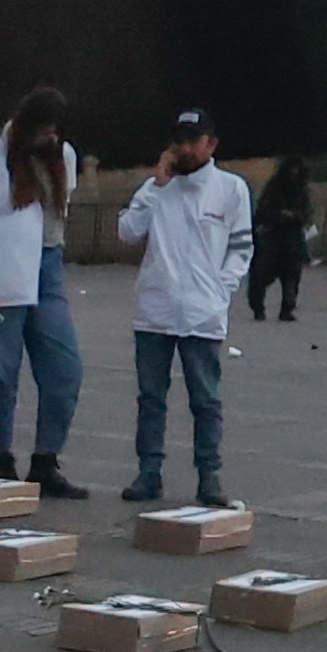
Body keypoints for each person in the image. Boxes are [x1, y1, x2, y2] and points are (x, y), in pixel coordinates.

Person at [116, 109, 256, 505]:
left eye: (193, 140)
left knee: (205, 399)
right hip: (155, 310)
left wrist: (220, 289)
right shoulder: (157, 188)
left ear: (210, 145)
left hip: (202, 312)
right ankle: (149, 472)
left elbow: (241, 248)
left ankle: (209, 476)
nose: (184, 148)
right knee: (151, 397)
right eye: (179, 139)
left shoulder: (231, 189)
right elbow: (127, 232)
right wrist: (156, 187)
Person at [0, 89, 85, 494]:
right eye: (42, 130)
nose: (48, 139)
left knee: (65, 369)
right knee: (2, 373)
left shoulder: (64, 158)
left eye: (54, 132)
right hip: (2, 278)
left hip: (47, 269)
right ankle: (2, 457)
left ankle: (46, 460)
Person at [248, 154, 314, 323]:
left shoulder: (301, 190)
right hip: (273, 238)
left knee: (291, 278)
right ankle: (258, 308)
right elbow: (264, 210)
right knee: (262, 277)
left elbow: (306, 213)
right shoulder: (274, 188)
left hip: (292, 238)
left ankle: (287, 309)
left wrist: (294, 217)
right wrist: (278, 217)